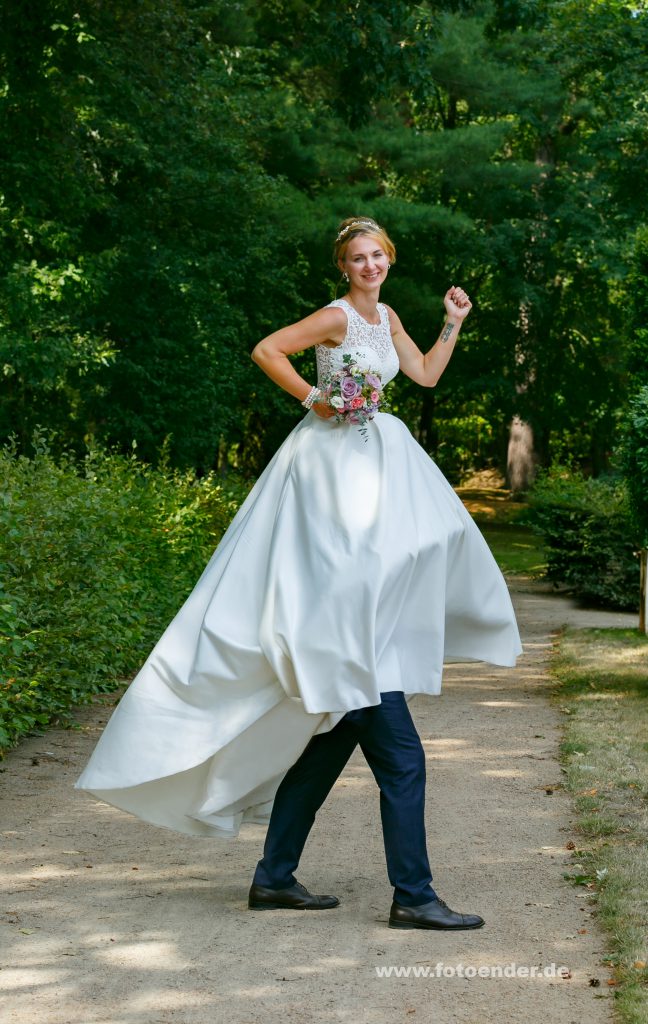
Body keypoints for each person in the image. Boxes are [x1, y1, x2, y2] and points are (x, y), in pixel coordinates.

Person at [75, 217, 522, 931]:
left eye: (377, 255)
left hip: (378, 453)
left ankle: (274, 877)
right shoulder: (335, 316)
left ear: (388, 259)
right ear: (343, 265)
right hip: (333, 460)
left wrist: (451, 323)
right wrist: (317, 400)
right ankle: (413, 896)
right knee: (401, 757)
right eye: (356, 258)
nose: (369, 266)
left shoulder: (389, 315)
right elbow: (266, 349)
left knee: (326, 745)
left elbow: (426, 375)